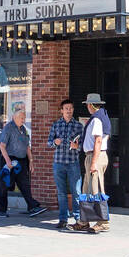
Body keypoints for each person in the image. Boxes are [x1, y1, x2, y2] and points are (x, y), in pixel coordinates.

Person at [0, 103, 45, 218]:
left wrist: (31, 161)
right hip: (10, 159)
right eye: (21, 118)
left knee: (25, 185)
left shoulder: (24, 129)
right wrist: (7, 161)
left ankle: (32, 207)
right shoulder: (8, 128)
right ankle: (1, 210)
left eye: (24, 118)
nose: (23, 120)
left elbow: (27, 146)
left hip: (22, 160)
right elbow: (2, 146)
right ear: (15, 118)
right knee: (4, 184)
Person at [75, 93, 111, 233]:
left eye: (87, 104)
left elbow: (98, 141)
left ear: (90, 105)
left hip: (95, 156)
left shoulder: (96, 119)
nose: (87, 107)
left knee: (96, 190)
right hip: (93, 156)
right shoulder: (101, 116)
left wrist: (93, 162)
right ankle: (84, 221)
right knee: (87, 190)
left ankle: (103, 222)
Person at [47, 99, 83, 230]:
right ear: (61, 110)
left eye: (71, 108)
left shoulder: (79, 126)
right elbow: (49, 142)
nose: (69, 110)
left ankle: (78, 218)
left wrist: (77, 146)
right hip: (58, 163)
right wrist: (54, 142)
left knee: (76, 192)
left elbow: (83, 146)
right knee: (61, 193)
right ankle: (63, 219)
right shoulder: (56, 125)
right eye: (66, 108)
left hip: (73, 163)